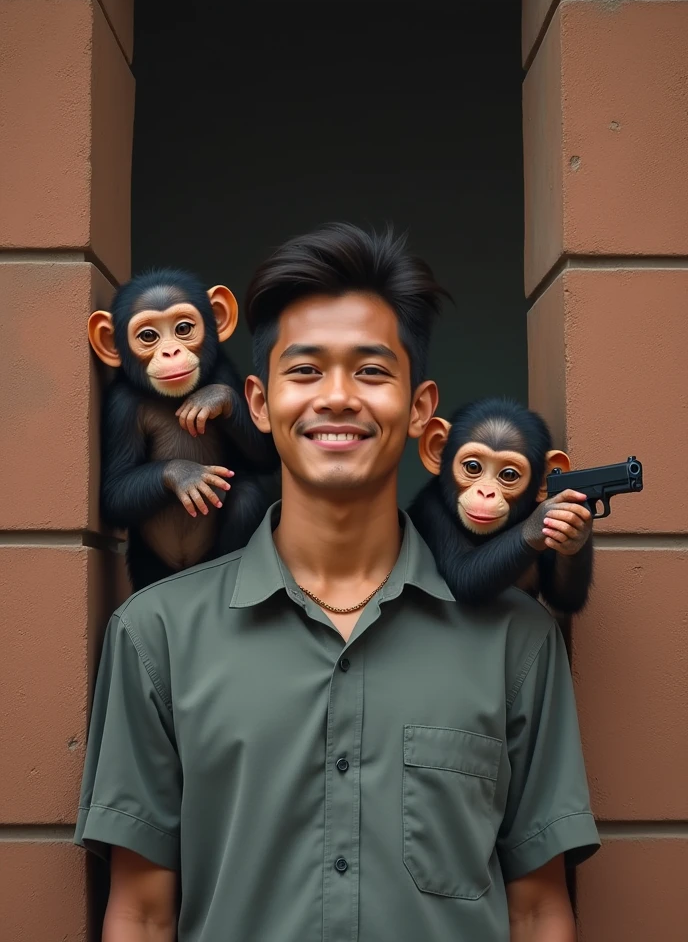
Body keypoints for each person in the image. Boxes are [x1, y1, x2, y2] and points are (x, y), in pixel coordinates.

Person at [75, 223, 599, 941]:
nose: (338, 397)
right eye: (306, 370)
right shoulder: (155, 636)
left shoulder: (519, 640)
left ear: (420, 410)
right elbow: (140, 912)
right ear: (257, 403)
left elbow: (539, 910)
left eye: (373, 371)